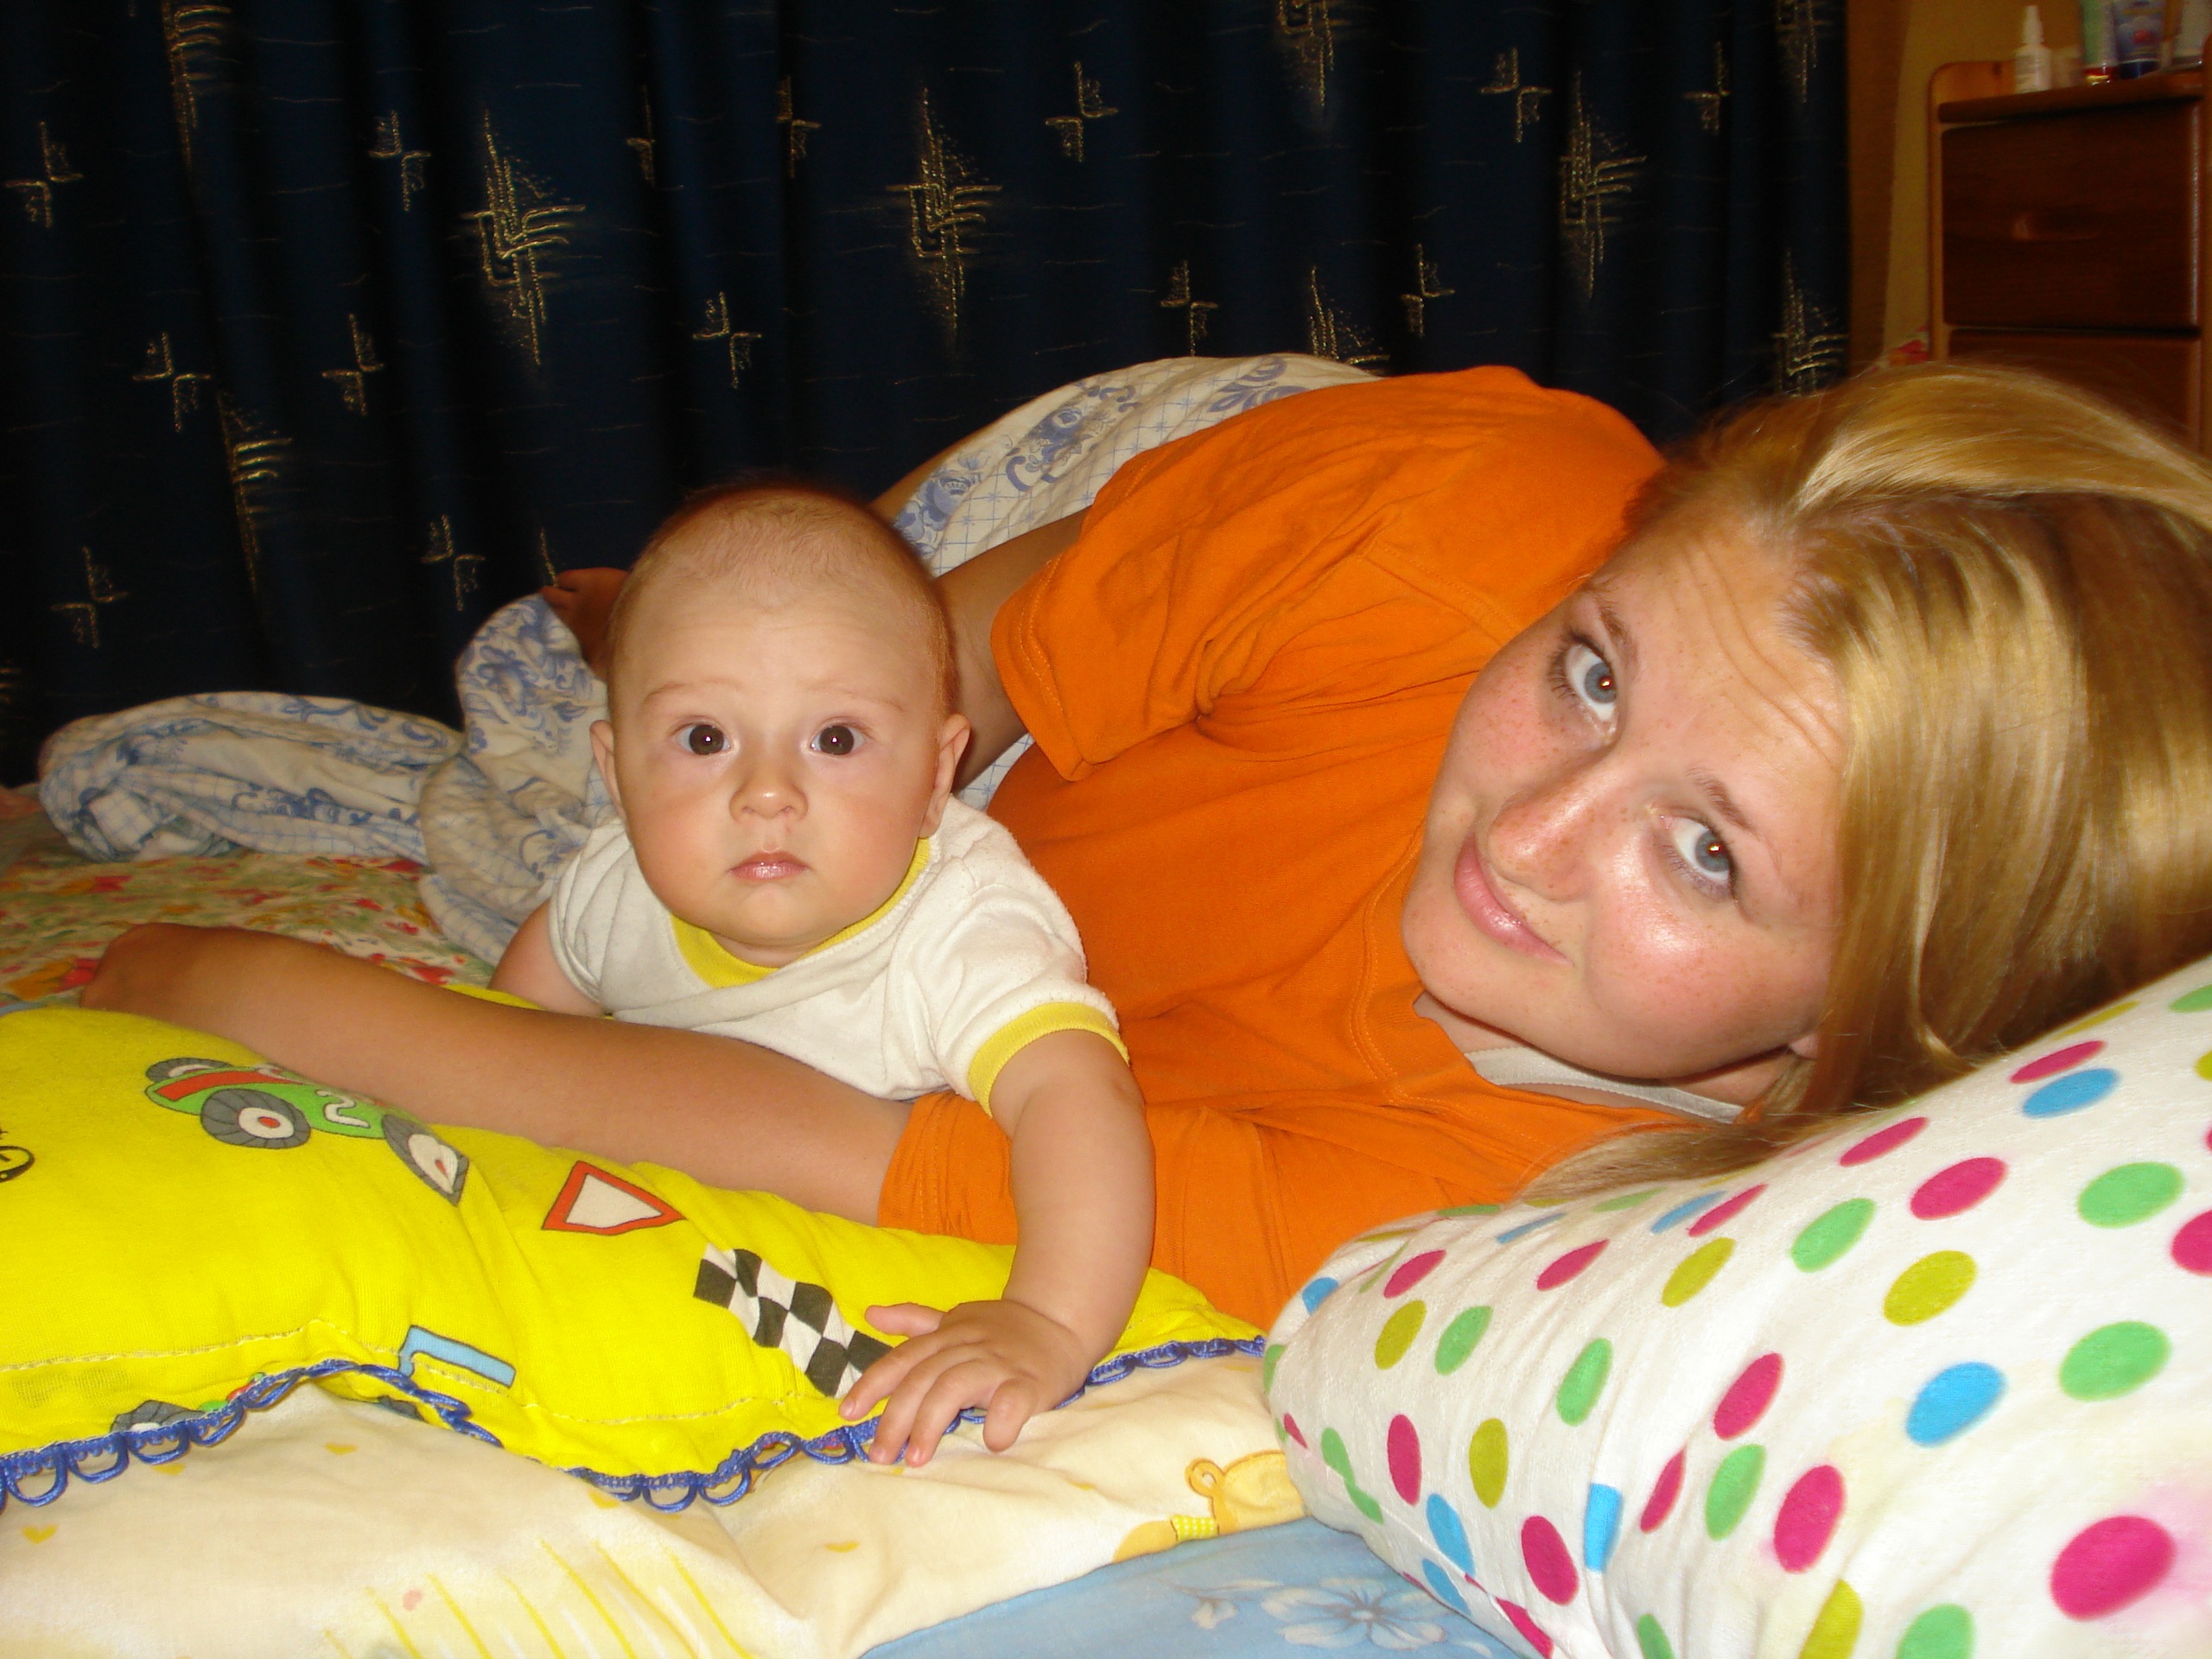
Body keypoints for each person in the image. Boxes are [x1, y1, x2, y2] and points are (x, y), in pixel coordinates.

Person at [85, 359, 2212, 1404]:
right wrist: (743, 727)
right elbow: (936, 652)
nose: (1525, 833)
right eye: (1588, 671)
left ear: (1871, 1026)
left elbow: (815, 1132)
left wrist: (264, 997)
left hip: (988, 920)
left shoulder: (1496, 1206)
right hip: (1029, 664)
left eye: (1704, 850)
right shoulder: (1463, 519)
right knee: (733, 657)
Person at [488, 480, 1148, 1466]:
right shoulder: (609, 888)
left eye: (835, 740)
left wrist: (1046, 1319)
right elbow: (507, 1037)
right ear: (618, 774)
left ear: (935, 775)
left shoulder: (961, 926)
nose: (767, 793)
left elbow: (1078, 1096)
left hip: (860, 1249)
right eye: (705, 739)